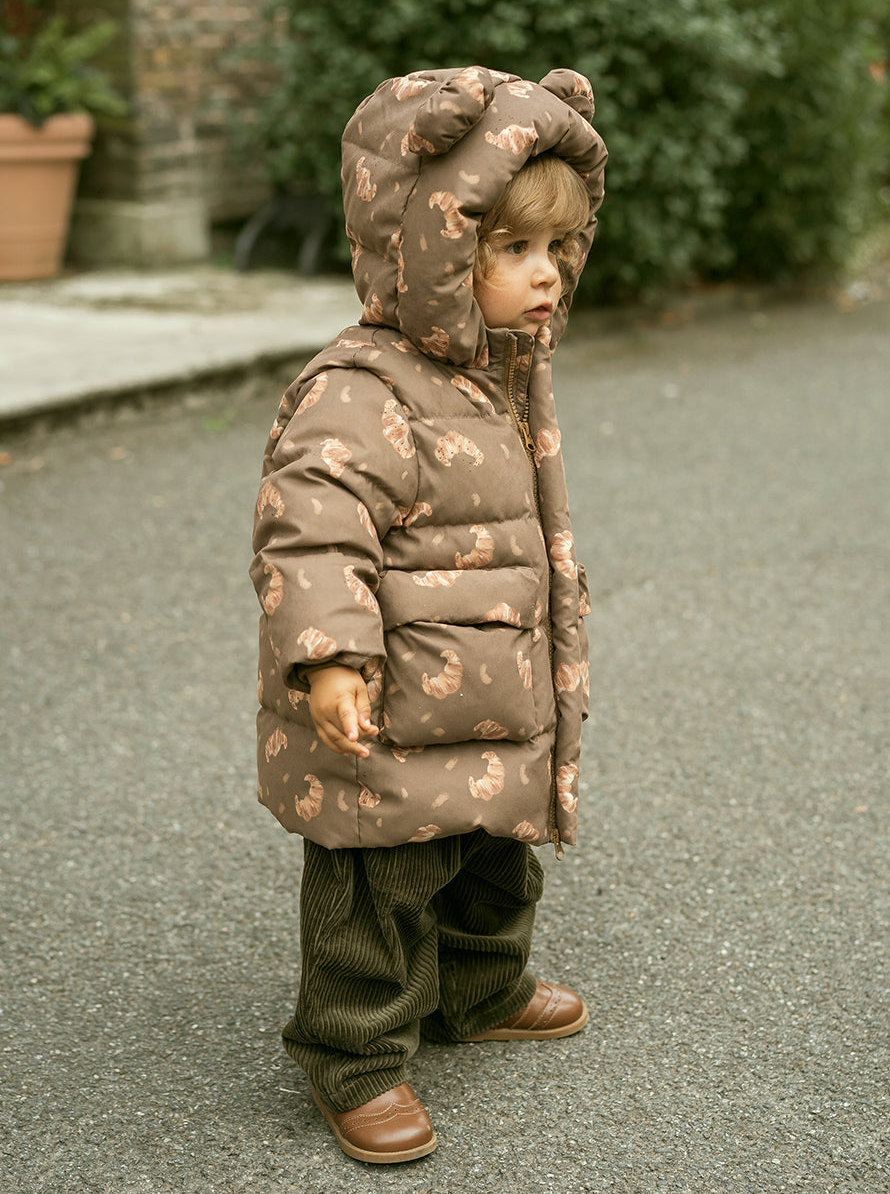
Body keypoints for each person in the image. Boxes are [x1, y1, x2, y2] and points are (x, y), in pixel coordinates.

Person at [250, 65, 608, 1164]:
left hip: (490, 697)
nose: (546, 274)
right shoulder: (361, 390)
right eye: (513, 248)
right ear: (434, 249)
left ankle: (480, 989)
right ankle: (354, 1056)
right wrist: (330, 659)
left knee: (495, 859)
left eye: (559, 248)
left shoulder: (498, 373)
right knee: (376, 888)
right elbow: (311, 532)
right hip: (394, 711)